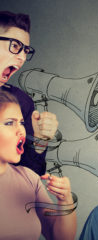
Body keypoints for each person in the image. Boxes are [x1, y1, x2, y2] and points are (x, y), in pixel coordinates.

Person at [0, 89, 76, 240]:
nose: (21, 131)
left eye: (21, 123)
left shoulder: (28, 178)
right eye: (9, 123)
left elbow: (59, 236)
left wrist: (65, 200)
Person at [0, 11, 58, 175]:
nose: (22, 57)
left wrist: (38, 140)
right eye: (16, 46)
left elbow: (31, 177)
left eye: (25, 50)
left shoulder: (20, 102)